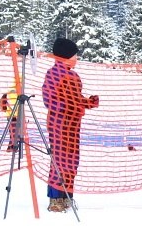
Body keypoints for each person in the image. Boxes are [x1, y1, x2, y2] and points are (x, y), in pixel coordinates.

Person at [42, 37, 100, 212]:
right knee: (60, 160)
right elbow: (49, 100)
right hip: (59, 124)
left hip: (73, 125)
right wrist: (66, 108)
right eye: (74, 55)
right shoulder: (53, 75)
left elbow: (76, 99)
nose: (76, 58)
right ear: (65, 56)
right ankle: (55, 199)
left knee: (72, 160)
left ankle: (67, 196)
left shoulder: (73, 76)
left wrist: (88, 103)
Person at [0, 84, 18, 151]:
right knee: (15, 132)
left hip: (10, 116)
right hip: (14, 116)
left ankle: (12, 147)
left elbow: (2, 106)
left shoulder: (8, 94)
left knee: (13, 132)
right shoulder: (15, 94)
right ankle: (12, 147)